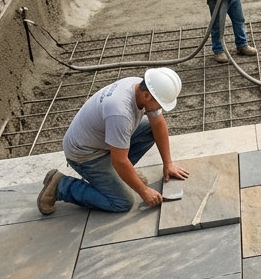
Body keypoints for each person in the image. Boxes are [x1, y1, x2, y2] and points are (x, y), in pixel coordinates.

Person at [37, 68, 189, 215]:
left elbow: (157, 124)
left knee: (150, 128)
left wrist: (168, 163)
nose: (161, 107)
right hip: (85, 155)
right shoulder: (120, 113)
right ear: (147, 96)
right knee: (122, 202)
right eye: (161, 103)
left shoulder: (140, 85)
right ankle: (60, 185)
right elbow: (119, 160)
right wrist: (144, 191)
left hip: (101, 141)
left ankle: (114, 177)